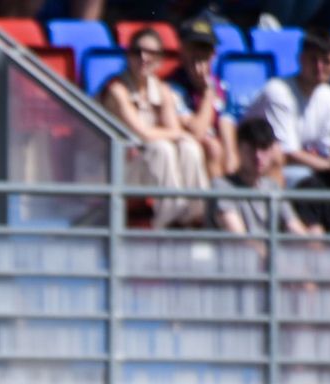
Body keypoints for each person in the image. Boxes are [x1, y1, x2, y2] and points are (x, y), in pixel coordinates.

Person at [99, 28, 210, 227]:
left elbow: (174, 130)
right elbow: (142, 134)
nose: (143, 57)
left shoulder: (162, 89)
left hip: (144, 166)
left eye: (150, 53)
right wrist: (177, 133)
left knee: (189, 147)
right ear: (128, 55)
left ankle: (196, 216)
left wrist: (179, 134)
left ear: (160, 59)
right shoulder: (117, 89)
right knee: (162, 149)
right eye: (137, 52)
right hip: (114, 168)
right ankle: (170, 221)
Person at [244, 29, 330, 185]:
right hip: (261, 168)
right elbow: (287, 154)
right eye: (313, 59)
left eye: (326, 61)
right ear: (300, 59)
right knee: (308, 179)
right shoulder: (277, 91)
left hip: (309, 168)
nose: (319, 67)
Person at [210, 116, 309, 234]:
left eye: (264, 148)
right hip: (237, 252)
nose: (258, 156)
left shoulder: (273, 187)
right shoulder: (221, 186)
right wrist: (269, 252)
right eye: (251, 148)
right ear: (238, 148)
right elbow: (238, 238)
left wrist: (316, 249)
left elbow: (295, 228)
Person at [169, 16, 238, 180]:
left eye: (205, 49)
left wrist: (231, 159)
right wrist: (207, 93)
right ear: (183, 50)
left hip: (220, 149)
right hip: (187, 151)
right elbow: (198, 131)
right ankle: (219, 203)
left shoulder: (222, 87)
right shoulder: (173, 87)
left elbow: (227, 125)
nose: (199, 55)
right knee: (212, 147)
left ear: (213, 54)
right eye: (194, 48)